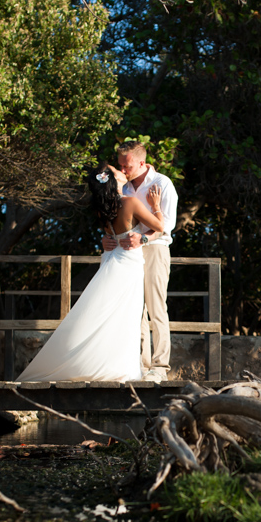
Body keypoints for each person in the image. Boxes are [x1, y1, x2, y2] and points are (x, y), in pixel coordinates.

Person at [16, 166, 164, 383]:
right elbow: (160, 226)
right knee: (125, 316)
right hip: (128, 262)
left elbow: (110, 234)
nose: (121, 170)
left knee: (109, 314)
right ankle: (119, 367)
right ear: (114, 180)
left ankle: (109, 364)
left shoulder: (102, 208)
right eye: (116, 170)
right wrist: (157, 206)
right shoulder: (130, 203)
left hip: (111, 259)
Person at [102, 141, 178, 382]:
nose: (123, 170)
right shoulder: (122, 188)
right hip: (128, 254)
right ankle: (142, 365)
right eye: (121, 165)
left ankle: (160, 366)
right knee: (136, 309)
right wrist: (105, 239)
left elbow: (167, 226)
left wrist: (144, 238)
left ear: (142, 162)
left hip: (154, 248)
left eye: (128, 165)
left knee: (156, 307)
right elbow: (114, 221)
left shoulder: (162, 184)